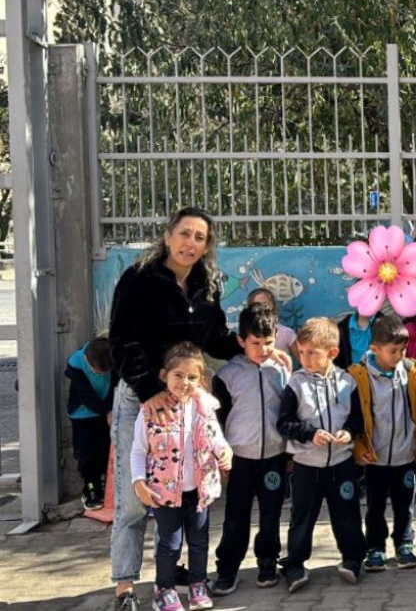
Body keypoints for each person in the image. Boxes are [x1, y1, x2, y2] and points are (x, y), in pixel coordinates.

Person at [108, 207, 279, 611]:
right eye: (185, 234)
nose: (191, 243)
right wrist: (149, 388)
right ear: (168, 236)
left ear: (207, 245)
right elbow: (121, 340)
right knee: (137, 499)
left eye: (200, 237)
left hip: (187, 402)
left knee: (186, 490)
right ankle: (125, 588)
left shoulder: (207, 283)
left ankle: (173, 576)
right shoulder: (139, 279)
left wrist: (259, 350)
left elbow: (214, 337)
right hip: (143, 398)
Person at [130, 343, 232, 611]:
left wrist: (225, 452)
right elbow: (138, 452)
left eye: (192, 377)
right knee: (170, 544)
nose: (184, 382)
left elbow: (216, 438)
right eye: (178, 375)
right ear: (164, 375)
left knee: (199, 541)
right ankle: (164, 589)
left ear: (201, 380)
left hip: (198, 491)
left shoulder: (205, 408)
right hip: (164, 493)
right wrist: (138, 482)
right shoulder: (150, 411)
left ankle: (198, 584)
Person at [276, 317, 367, 593]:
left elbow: (357, 422)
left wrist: (349, 434)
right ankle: (294, 565)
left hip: (341, 465)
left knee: (347, 514)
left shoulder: (347, 382)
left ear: (332, 353)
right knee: (302, 517)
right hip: (306, 466)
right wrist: (309, 433)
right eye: (302, 352)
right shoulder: (295, 383)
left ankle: (352, 560)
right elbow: (284, 423)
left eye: (312, 353)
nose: (305, 358)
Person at [209, 302, 291, 595]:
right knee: (236, 516)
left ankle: (268, 562)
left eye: (268, 342)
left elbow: (289, 414)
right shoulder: (227, 375)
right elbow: (216, 421)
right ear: (241, 340)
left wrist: (290, 452)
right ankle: (227, 569)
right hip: (240, 459)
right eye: (255, 343)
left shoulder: (282, 370)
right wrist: (221, 455)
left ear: (276, 336)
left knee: (271, 514)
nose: (262, 349)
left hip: (274, 457)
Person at [348, 314, 416, 572]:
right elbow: (353, 418)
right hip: (374, 457)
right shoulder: (358, 376)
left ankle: (405, 543)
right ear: (374, 349)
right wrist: (359, 448)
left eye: (402, 350)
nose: (399, 355)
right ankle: (375, 546)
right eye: (392, 351)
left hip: (405, 454)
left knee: (404, 504)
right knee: (375, 506)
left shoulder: (413, 372)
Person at [65, 334, 114, 511]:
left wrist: (110, 409)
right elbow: (85, 395)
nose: (101, 375)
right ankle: (91, 487)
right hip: (82, 414)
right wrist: (106, 410)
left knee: (105, 449)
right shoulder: (76, 362)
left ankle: (105, 484)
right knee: (86, 452)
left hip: (106, 413)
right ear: (87, 359)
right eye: (97, 372)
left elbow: (115, 387)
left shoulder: (113, 356)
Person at [246, 287, 298, 360]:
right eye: (257, 305)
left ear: (273, 307)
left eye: (265, 304)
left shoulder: (287, 333)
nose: (262, 309)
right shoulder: (245, 336)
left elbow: (304, 361)